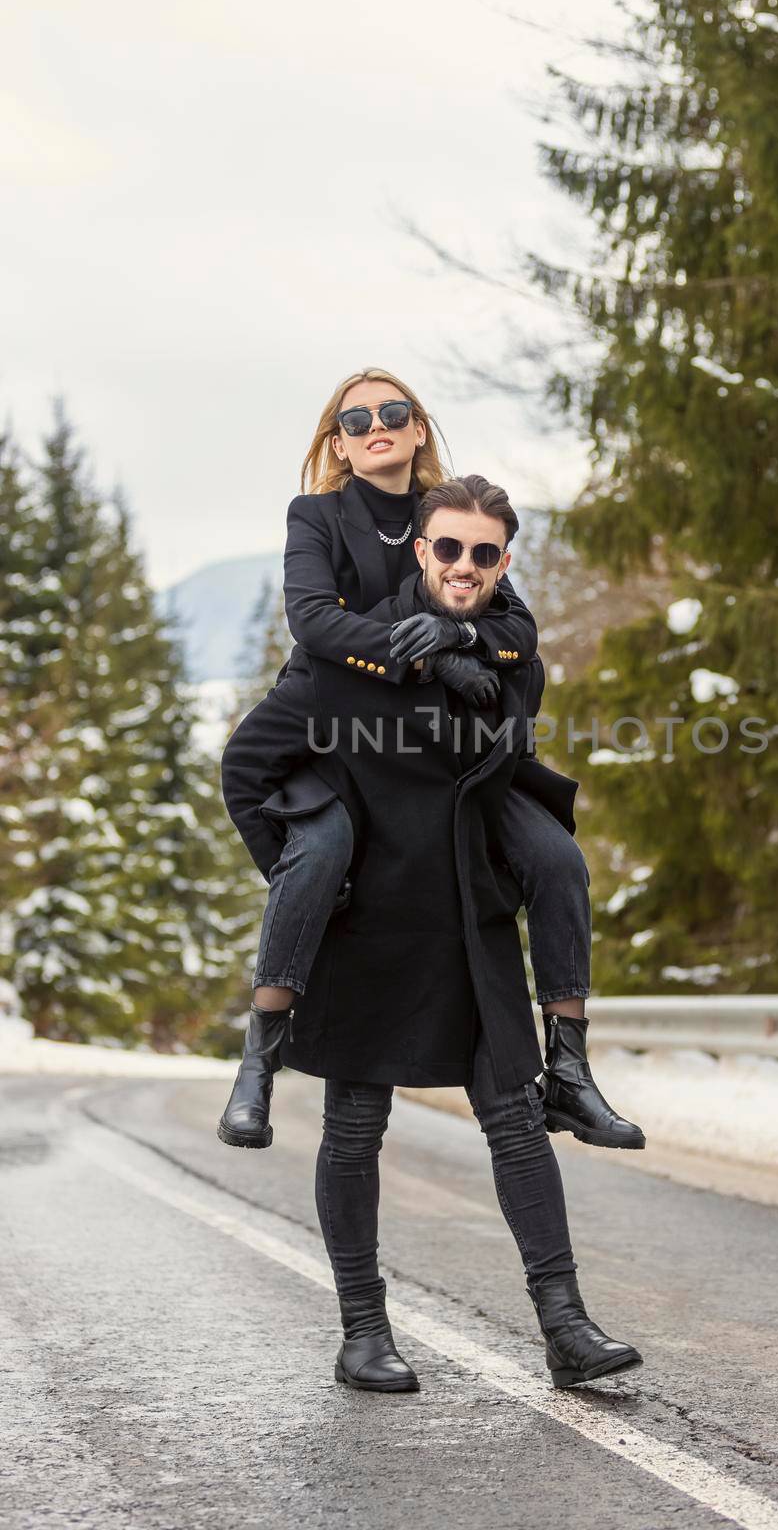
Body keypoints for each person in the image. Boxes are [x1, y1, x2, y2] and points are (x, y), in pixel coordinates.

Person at [219, 477, 643, 1391]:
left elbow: (511, 729)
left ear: (502, 564)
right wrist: (303, 876)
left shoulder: (505, 657)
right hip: (369, 923)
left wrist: (468, 646)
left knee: (517, 1125)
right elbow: (246, 768)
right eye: (447, 548)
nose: (463, 567)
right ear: (419, 548)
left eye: (484, 554)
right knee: (354, 1129)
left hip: (467, 918)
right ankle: (362, 1333)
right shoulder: (343, 654)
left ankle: (566, 1329)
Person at [217, 367, 643, 1154]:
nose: (375, 424)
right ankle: (257, 1066)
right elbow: (312, 622)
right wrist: (426, 659)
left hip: (453, 746)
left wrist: (464, 638)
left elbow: (517, 626)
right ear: (338, 445)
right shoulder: (315, 516)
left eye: (393, 411)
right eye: (355, 420)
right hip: (342, 724)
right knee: (319, 855)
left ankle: (571, 1072)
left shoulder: (456, 509)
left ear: (418, 429)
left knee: (558, 862)